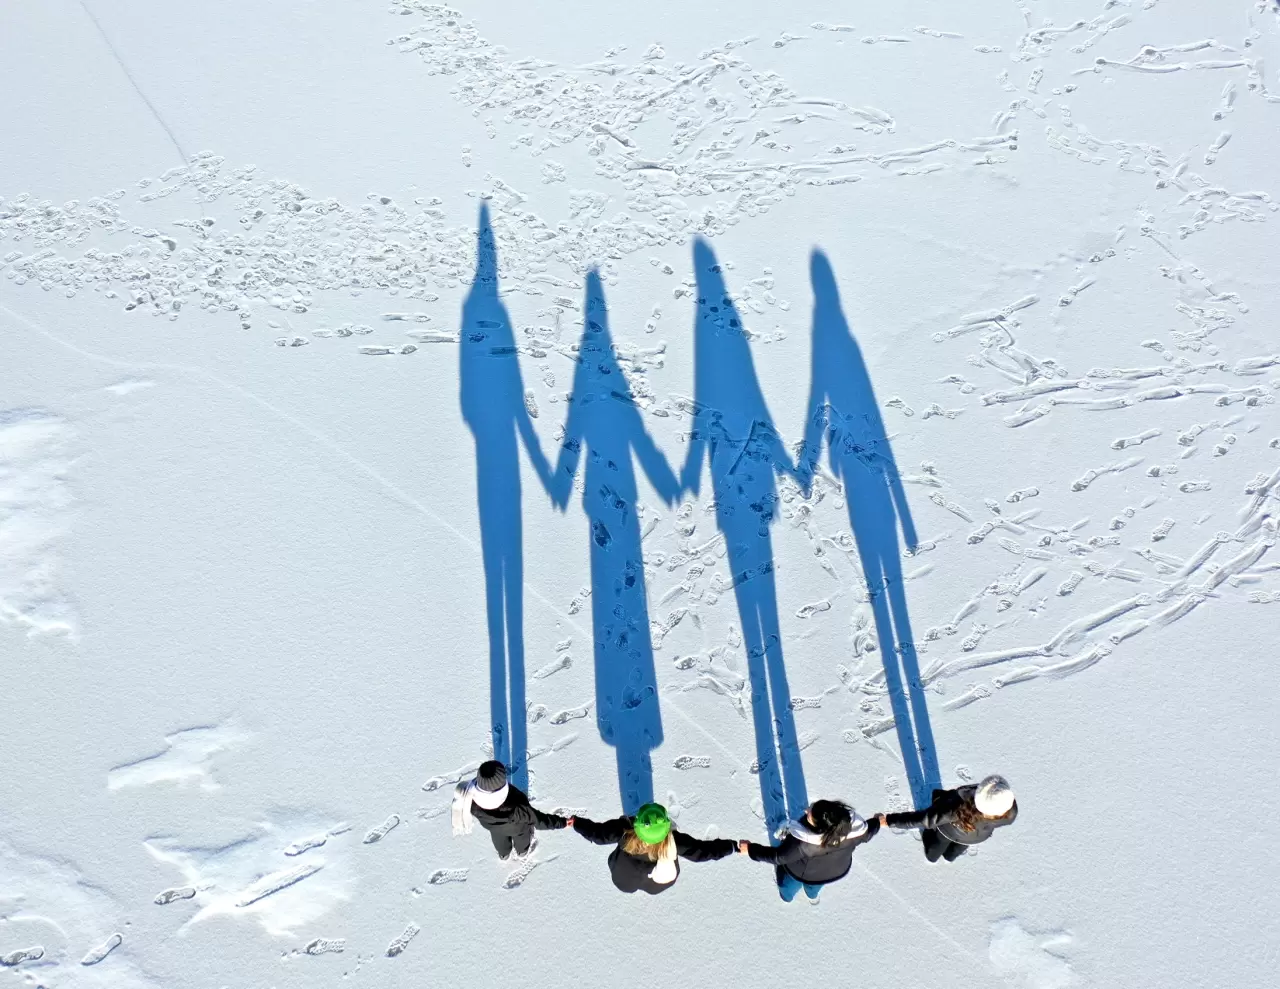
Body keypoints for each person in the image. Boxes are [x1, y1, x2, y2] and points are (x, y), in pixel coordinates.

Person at [573, 802, 741, 894]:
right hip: (656, 885)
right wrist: (732, 846)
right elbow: (704, 852)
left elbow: (596, 834)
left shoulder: (623, 830)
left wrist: (575, 822)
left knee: (625, 880)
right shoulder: (675, 841)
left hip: (623, 880)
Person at [743, 799, 883, 902]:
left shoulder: (802, 844)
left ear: (820, 828)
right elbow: (869, 831)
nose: (806, 811)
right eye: (811, 807)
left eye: (809, 813)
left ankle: (786, 897)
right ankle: (812, 896)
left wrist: (750, 849)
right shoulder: (856, 832)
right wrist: (878, 821)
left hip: (800, 872)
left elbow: (778, 857)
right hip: (832, 871)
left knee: (787, 885)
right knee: (815, 886)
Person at [451, 760, 572, 860]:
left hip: (495, 830)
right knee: (522, 840)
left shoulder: (471, 802)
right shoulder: (517, 805)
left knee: (500, 843)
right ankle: (522, 852)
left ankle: (503, 855)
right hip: (518, 830)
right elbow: (540, 820)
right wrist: (563, 822)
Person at [885, 774, 1017, 862]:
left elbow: (923, 819)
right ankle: (949, 857)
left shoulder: (957, 808)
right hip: (973, 839)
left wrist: (889, 820)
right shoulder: (1010, 813)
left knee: (932, 856)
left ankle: (930, 842)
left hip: (947, 833)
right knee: (950, 856)